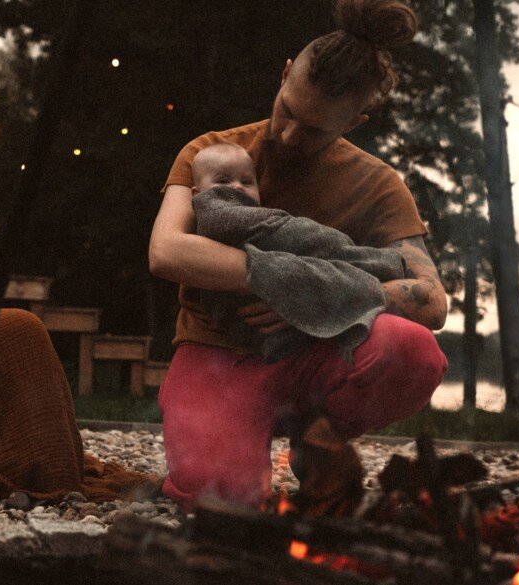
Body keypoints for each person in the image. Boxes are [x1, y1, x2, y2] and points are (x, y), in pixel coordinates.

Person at [149, 0, 449, 511]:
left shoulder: (378, 184)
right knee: (221, 501)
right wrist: (276, 280)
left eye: (313, 129)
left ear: (355, 121)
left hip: (315, 353)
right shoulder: (214, 153)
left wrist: (311, 295)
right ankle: (239, 444)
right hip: (220, 353)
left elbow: (433, 303)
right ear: (285, 74)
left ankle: (316, 438)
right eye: (287, 110)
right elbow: (167, 252)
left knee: (411, 351)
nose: (287, 134)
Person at [189, 142, 409, 364]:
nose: (236, 187)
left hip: (280, 331)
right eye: (223, 181)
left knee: (321, 269)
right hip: (253, 323)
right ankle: (383, 266)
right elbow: (290, 235)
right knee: (326, 259)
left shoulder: (377, 178)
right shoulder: (214, 213)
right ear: (196, 194)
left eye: (247, 182)